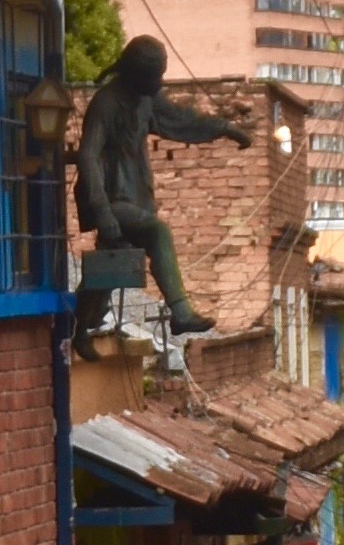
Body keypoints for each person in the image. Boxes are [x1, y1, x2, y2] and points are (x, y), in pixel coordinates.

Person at [72, 35, 250, 337]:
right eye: (153, 77)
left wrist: (225, 128)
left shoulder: (145, 100)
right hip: (110, 199)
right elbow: (88, 155)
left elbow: (181, 120)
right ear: (134, 74)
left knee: (113, 263)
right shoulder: (106, 102)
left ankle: (77, 326)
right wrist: (102, 212)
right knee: (158, 233)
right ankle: (180, 313)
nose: (158, 83)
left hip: (136, 197)